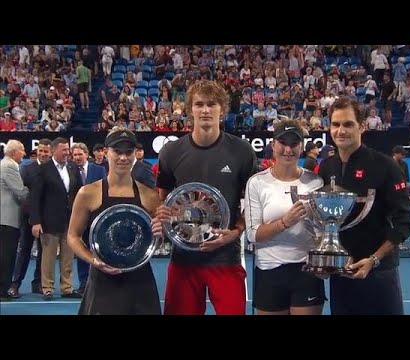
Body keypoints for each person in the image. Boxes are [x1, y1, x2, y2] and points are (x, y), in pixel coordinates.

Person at [151, 80, 258, 315]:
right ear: (190, 110)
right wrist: (163, 213)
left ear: (223, 109)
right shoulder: (171, 152)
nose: (206, 110)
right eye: (199, 104)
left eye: (212, 104)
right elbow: (164, 199)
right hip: (183, 259)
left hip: (226, 258)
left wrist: (236, 232)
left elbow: (253, 205)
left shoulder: (242, 151)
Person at [318, 97, 410, 315]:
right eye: (335, 124)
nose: (340, 131)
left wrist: (374, 260)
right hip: (341, 274)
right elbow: (325, 221)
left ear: (361, 126)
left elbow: (404, 223)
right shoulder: (327, 167)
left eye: (348, 124)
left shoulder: (386, 166)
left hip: (379, 273)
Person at [67, 128, 162, 315]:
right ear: (105, 152)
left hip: (140, 282)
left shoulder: (150, 196)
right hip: (103, 281)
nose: (123, 158)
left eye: (129, 152)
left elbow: (156, 241)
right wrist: (93, 260)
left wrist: (160, 233)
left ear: (135, 154)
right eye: (117, 151)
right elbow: (73, 236)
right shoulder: (88, 193)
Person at [244, 120, 326, 315]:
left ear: (301, 147)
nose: (288, 149)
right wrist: (284, 223)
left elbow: (323, 230)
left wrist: (325, 260)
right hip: (269, 271)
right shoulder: (256, 183)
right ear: (273, 145)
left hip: (307, 270)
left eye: (294, 144)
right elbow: (252, 235)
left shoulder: (315, 182)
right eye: (283, 143)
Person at [30, 137, 83, 301]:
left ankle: (67, 287)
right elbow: (35, 197)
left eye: (68, 149)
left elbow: (79, 193)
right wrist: (36, 221)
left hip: (70, 221)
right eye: (64, 150)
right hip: (49, 221)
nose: (67, 153)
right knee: (48, 257)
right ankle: (47, 288)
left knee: (68, 256)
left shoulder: (73, 167)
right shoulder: (44, 169)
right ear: (54, 151)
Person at [8, 138, 52, 298]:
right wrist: (34, 219)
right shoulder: (26, 169)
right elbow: (26, 196)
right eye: (40, 151)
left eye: (46, 151)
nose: (42, 154)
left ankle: (38, 283)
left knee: (44, 253)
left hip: (48, 218)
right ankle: (15, 284)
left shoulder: (54, 170)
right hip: (29, 218)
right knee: (24, 250)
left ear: (51, 152)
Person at [70, 142, 107, 294]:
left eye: (80, 154)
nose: (77, 157)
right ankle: (84, 283)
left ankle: (102, 282)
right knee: (82, 251)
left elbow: (105, 191)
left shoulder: (99, 170)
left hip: (97, 218)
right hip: (79, 218)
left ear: (86, 154)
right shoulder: (69, 170)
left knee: (100, 250)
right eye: (75, 155)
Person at [0, 140, 29, 301]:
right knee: (7, 255)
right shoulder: (9, 166)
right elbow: (21, 192)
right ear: (13, 152)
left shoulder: (5, 164)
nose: (24, 154)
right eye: (22, 150)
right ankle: (2, 290)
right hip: (7, 218)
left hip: (5, 217)